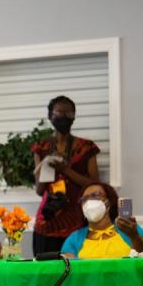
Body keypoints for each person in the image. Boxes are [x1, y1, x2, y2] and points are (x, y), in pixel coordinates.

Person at [31, 95, 100, 255]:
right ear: (50, 116)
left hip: (77, 218)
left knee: (76, 270)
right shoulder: (42, 147)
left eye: (69, 114)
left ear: (74, 117)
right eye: (59, 113)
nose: (64, 117)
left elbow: (95, 185)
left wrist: (65, 170)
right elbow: (40, 190)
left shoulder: (86, 147)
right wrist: (48, 167)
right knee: (46, 271)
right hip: (48, 220)